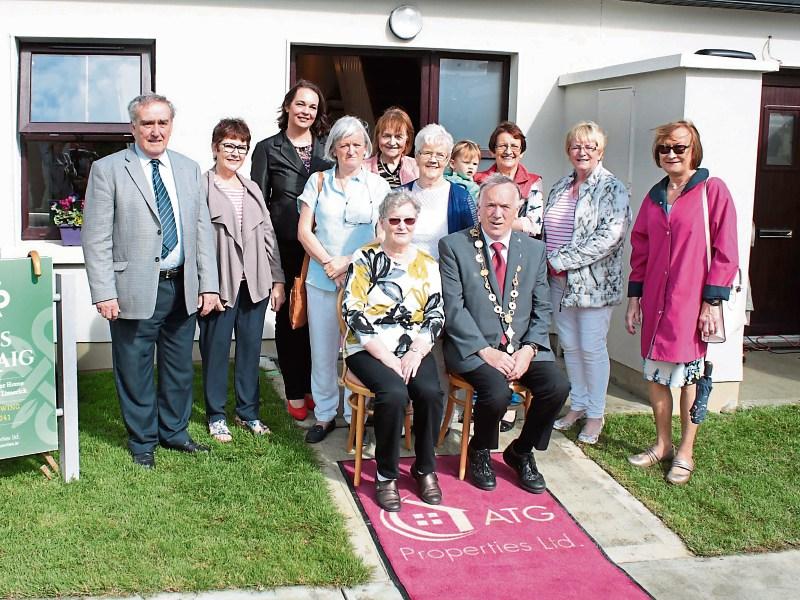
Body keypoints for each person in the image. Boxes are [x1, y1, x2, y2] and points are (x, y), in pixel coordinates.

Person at [83, 93, 220, 469]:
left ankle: (174, 432)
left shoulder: (188, 168)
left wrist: (208, 284)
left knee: (178, 367)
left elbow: (201, 230)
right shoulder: (109, 169)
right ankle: (142, 440)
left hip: (182, 286)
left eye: (162, 122)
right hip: (133, 288)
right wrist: (104, 291)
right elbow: (96, 237)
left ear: (171, 126)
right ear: (134, 127)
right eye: (147, 123)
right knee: (135, 367)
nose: (155, 130)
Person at [439, 174, 570, 494]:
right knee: (497, 391)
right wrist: (487, 352)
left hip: (523, 346)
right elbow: (453, 308)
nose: (497, 214)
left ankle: (521, 451)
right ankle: (480, 449)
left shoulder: (535, 250)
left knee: (557, 386)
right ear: (479, 207)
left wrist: (529, 349)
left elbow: (542, 308)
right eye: (490, 206)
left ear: (518, 209)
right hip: (474, 348)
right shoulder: (454, 246)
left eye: (505, 207)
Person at [625, 120, 738, 485]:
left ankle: (686, 451)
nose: (671, 154)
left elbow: (726, 250)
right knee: (656, 376)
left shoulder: (711, 191)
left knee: (690, 378)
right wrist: (634, 298)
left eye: (679, 147)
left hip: (691, 304)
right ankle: (663, 444)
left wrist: (711, 303)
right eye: (664, 148)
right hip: (655, 302)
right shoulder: (654, 196)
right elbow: (640, 249)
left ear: (693, 151)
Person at [342, 190, 445, 512]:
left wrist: (416, 351)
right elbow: (352, 310)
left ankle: (424, 468)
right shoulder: (364, 258)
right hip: (368, 346)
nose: (402, 226)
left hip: (412, 346)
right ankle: (386, 475)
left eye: (408, 220)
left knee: (430, 392)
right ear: (383, 222)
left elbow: (436, 313)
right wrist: (386, 356)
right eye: (395, 220)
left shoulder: (427, 264)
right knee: (394, 394)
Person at [297, 116, 391, 443]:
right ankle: (325, 415)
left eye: (357, 144)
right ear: (334, 148)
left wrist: (347, 262)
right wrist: (328, 263)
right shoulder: (318, 181)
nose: (351, 150)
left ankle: (355, 416)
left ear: (366, 148)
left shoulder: (378, 186)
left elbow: (384, 235)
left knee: (358, 351)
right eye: (344, 144)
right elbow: (304, 231)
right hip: (322, 280)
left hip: (363, 283)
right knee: (322, 351)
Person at [199, 118, 286, 442]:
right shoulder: (202, 187)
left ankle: (248, 412)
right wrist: (205, 286)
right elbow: (196, 242)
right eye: (229, 145)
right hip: (221, 286)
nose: (235, 152)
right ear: (215, 148)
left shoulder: (251, 189)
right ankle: (216, 415)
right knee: (216, 351)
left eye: (242, 147)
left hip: (255, 285)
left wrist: (277, 280)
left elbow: (268, 237)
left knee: (250, 351)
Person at [251, 80, 332, 422]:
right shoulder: (268, 148)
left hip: (323, 248)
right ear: (288, 106)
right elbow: (258, 207)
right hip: (284, 249)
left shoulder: (328, 149)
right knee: (289, 321)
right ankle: (295, 389)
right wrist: (270, 268)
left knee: (319, 320)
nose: (306, 111)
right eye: (300, 104)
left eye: (313, 106)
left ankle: (314, 386)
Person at [546, 122, 631, 445]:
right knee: (569, 346)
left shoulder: (612, 188)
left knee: (592, 348)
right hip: (559, 283)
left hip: (593, 285)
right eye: (576, 146)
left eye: (589, 146)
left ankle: (596, 414)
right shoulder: (561, 185)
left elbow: (609, 237)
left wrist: (559, 260)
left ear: (601, 151)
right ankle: (578, 405)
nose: (582, 152)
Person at [402, 124, 477, 260]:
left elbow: (473, 243)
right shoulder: (399, 195)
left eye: (440, 155)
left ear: (447, 160)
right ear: (416, 156)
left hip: (446, 271)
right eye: (427, 153)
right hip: (404, 270)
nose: (433, 160)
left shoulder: (462, 198)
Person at [475, 121, 544, 238]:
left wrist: (491, 221)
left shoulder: (533, 182)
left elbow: (534, 225)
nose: (508, 151)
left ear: (521, 153)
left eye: (514, 146)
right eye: (502, 146)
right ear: (492, 152)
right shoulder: (477, 181)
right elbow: (472, 220)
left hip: (520, 245)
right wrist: (518, 223)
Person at [364, 106, 418, 188]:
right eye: (387, 136)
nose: (392, 142)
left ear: (407, 139)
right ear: (378, 137)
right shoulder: (363, 168)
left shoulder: (417, 167)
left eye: (398, 137)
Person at [445, 139, 481, 204]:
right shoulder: (448, 181)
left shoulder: (474, 185)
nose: (471, 167)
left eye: (475, 164)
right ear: (452, 164)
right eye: (467, 162)